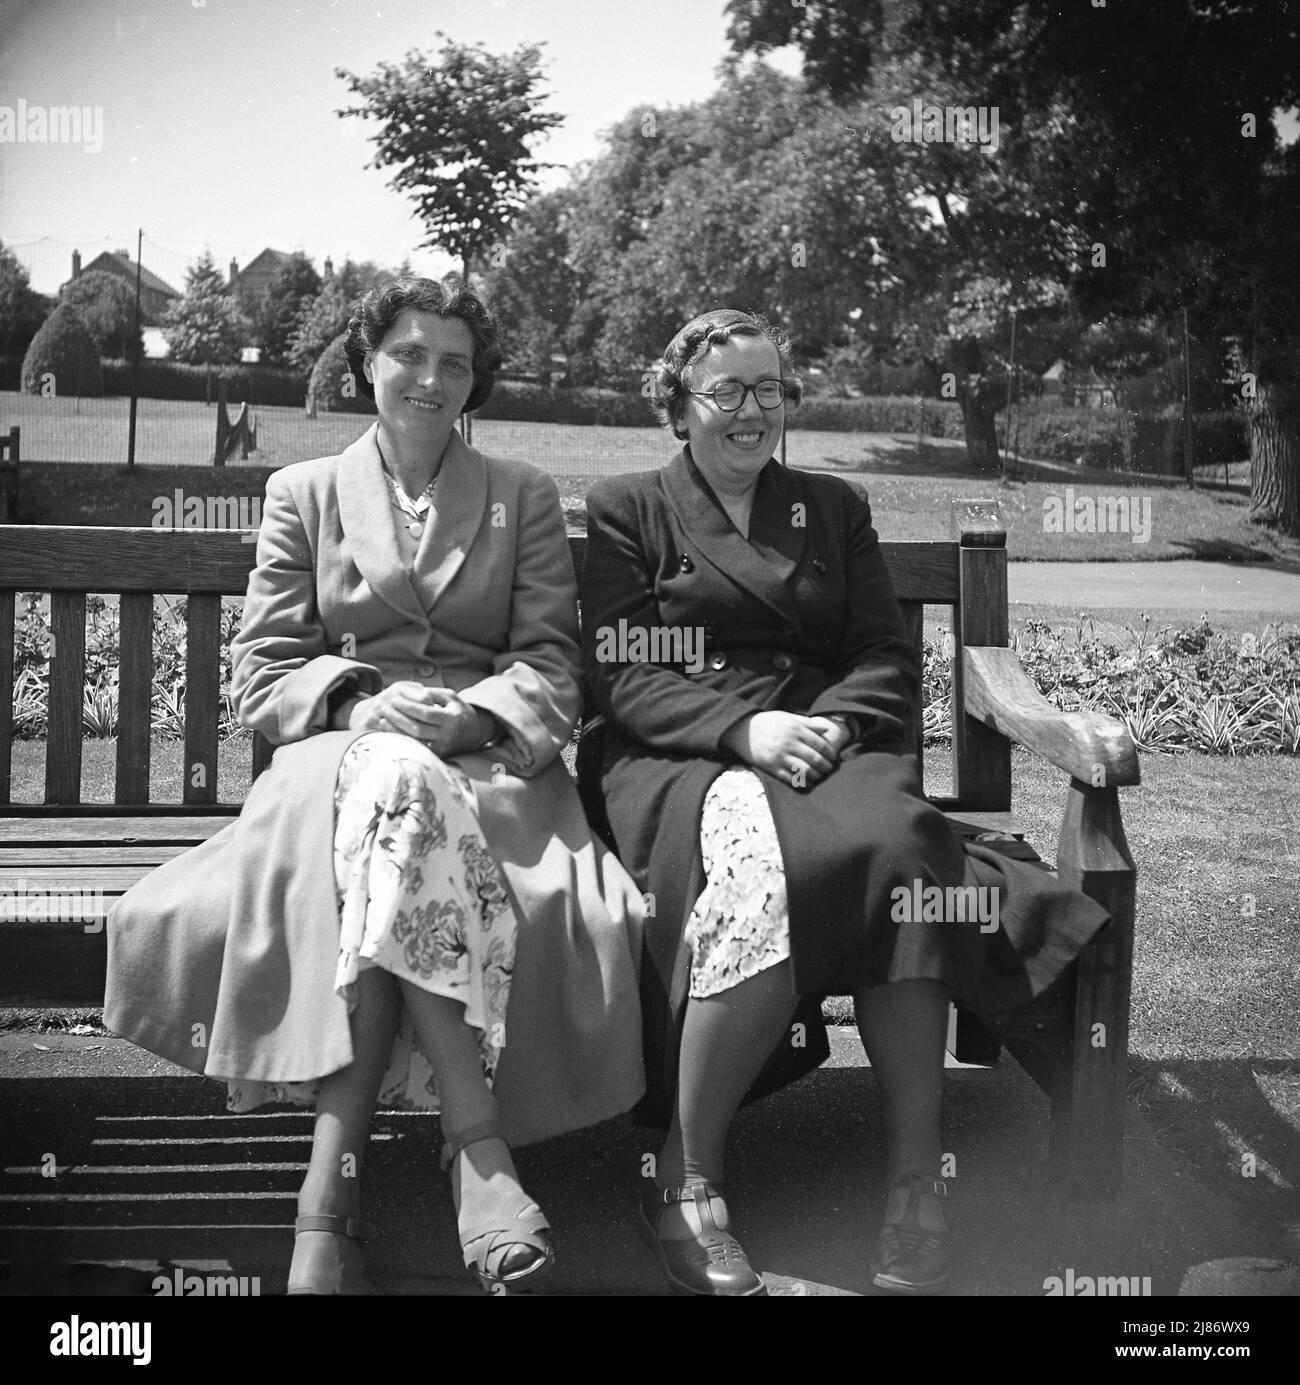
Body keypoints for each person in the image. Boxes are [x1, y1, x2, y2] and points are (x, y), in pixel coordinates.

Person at [105, 277, 644, 1296]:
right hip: (334, 767)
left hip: (483, 770)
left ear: (475, 379)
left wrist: (476, 712)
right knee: (394, 776)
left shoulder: (520, 492)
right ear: (368, 365)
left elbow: (550, 663)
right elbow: (264, 673)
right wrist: (359, 706)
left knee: (402, 813)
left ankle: (326, 1197)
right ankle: (476, 1149)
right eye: (408, 353)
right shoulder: (301, 492)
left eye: (453, 360)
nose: (430, 377)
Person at [579, 308, 1108, 1296]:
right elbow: (619, 670)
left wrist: (820, 724)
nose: (752, 410)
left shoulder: (830, 507)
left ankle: (916, 1178)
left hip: (828, 743)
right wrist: (743, 732)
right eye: (726, 389)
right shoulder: (629, 508)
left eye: (770, 389)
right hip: (681, 754)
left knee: (903, 852)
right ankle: (687, 1184)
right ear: (678, 403)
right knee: (766, 866)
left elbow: (880, 651)